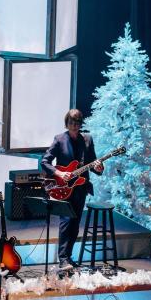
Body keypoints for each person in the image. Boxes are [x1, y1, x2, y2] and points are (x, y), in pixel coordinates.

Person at [40, 108, 104, 271]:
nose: (74, 126)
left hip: (81, 187)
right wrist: (60, 172)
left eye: (77, 123)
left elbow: (94, 164)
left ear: (80, 124)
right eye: (71, 123)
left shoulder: (87, 139)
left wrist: (99, 167)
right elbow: (45, 162)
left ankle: (68, 257)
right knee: (66, 221)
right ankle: (62, 259)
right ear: (66, 123)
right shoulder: (60, 139)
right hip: (63, 187)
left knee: (75, 223)